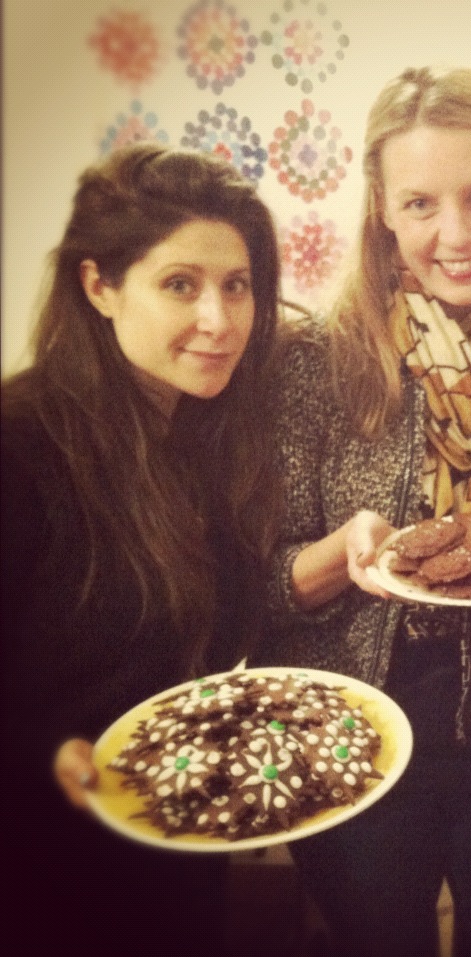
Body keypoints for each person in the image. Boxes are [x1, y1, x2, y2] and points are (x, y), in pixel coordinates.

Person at [262, 66, 471, 957]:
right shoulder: (313, 364)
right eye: (420, 203)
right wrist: (341, 556)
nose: (456, 234)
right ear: (379, 206)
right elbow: (250, 584)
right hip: (356, 744)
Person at [1, 143, 282, 955]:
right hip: (46, 870)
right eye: (179, 285)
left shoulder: (206, 435)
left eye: (236, 285)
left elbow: (213, 639)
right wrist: (39, 751)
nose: (219, 320)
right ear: (100, 286)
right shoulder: (21, 447)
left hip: (173, 843)